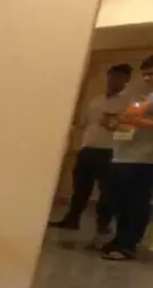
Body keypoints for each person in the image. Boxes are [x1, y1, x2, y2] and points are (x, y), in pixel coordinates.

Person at [50, 63, 134, 234]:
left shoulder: (128, 103)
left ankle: (103, 224)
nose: (114, 81)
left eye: (120, 78)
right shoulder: (96, 100)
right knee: (80, 187)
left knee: (108, 191)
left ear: (126, 80)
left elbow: (129, 130)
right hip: (88, 148)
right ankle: (72, 219)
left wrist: (114, 124)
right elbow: (84, 122)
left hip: (111, 151)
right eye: (112, 77)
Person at [102, 55, 153, 261]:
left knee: (136, 203)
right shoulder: (145, 96)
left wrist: (137, 121)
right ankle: (119, 239)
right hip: (124, 154)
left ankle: (128, 245)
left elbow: (141, 121)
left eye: (152, 74)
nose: (148, 78)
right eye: (145, 74)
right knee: (120, 201)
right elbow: (130, 120)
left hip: (145, 158)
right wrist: (118, 121)